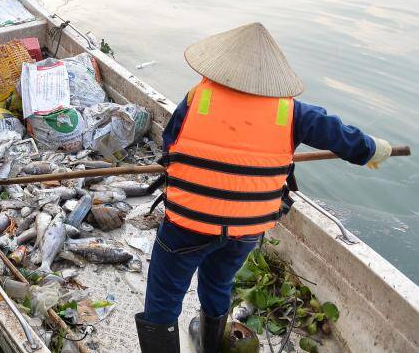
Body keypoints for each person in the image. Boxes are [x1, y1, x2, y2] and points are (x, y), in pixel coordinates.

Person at [135, 22, 392, 353]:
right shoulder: (293, 112)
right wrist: (371, 149)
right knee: (218, 283)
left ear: (221, 68)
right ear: (272, 79)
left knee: (164, 298)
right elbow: (341, 136)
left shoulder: (197, 98)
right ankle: (210, 344)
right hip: (245, 229)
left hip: (188, 226)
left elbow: (169, 147)